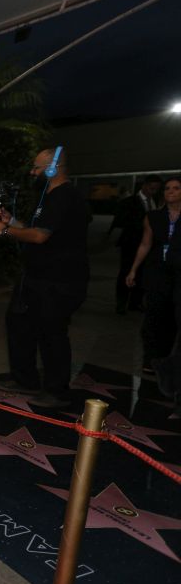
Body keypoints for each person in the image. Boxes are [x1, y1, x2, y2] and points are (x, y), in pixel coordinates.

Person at [0, 147, 89, 409]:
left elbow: (39, 236)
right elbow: (34, 229)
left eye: (37, 167)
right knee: (19, 324)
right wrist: (12, 222)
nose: (32, 172)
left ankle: (57, 391)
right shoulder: (47, 195)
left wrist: (5, 231)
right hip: (36, 276)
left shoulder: (66, 196)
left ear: (53, 168)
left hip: (59, 280)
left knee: (52, 334)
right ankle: (25, 379)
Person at [126, 177, 181, 416]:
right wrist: (133, 270)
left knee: (174, 319)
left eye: (176, 188)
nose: (171, 192)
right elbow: (145, 244)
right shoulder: (154, 217)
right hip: (157, 272)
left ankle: (167, 361)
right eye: (167, 188)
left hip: (179, 275)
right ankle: (152, 359)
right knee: (153, 316)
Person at [112, 175, 163, 315]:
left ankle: (135, 302)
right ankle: (121, 303)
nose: (154, 191)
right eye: (152, 188)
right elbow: (121, 221)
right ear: (144, 186)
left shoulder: (156, 201)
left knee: (142, 274)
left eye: (157, 189)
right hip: (131, 244)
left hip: (149, 245)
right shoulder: (129, 202)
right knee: (126, 272)